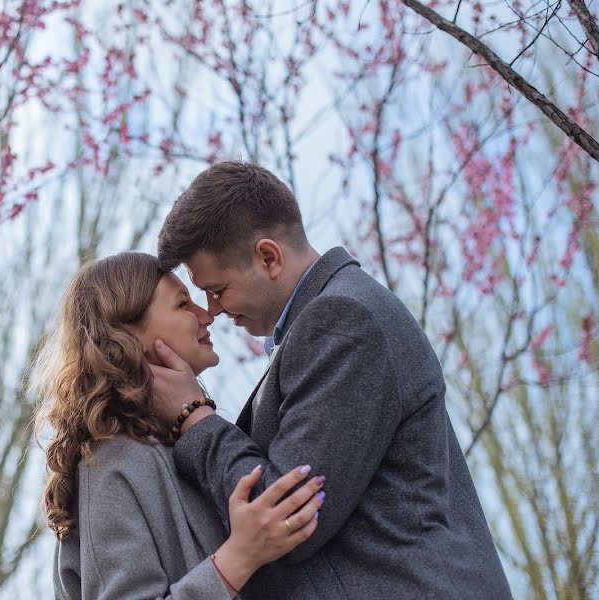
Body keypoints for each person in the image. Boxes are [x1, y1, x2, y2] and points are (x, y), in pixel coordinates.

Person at [149, 161, 513, 599]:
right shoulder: (328, 321)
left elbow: (284, 516)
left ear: (268, 257)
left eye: (218, 289)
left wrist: (196, 417)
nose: (214, 310)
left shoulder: (342, 320)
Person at [34, 252, 326, 600]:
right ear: (126, 334)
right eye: (183, 304)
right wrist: (238, 558)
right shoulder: (112, 462)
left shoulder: (177, 449)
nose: (206, 316)